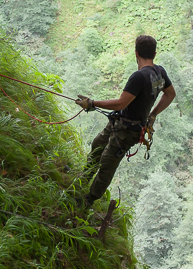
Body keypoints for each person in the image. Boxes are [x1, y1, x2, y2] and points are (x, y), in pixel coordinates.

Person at [74, 35, 176, 207]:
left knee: (107, 163)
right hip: (120, 124)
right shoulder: (160, 73)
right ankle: (83, 180)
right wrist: (153, 114)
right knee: (97, 146)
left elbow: (121, 103)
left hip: (126, 131)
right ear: (155, 53)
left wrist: (92, 103)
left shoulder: (139, 77)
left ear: (136, 53)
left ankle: (88, 200)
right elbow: (170, 94)